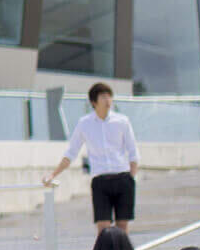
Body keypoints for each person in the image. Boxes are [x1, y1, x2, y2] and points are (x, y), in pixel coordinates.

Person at [43, 81, 139, 230]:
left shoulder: (122, 121)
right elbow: (71, 153)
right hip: (100, 180)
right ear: (94, 102)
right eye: (103, 97)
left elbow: (133, 151)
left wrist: (131, 178)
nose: (108, 100)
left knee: (122, 227)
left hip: (122, 177)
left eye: (109, 96)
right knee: (103, 228)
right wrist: (53, 175)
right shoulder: (84, 123)